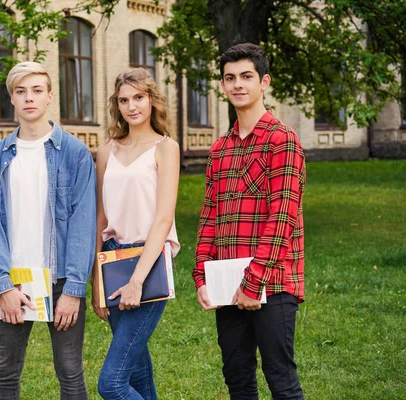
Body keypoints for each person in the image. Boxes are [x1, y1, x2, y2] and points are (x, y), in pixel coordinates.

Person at [193, 43, 306, 400]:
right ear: (223, 86)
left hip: (273, 282)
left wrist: (253, 282)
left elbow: (282, 216)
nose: (237, 85)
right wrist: (201, 276)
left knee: (280, 378)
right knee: (237, 378)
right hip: (226, 283)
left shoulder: (282, 140)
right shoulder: (219, 149)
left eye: (246, 77)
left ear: (264, 82)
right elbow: (210, 216)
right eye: (230, 78)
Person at [0, 61, 96, 400]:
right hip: (12, 280)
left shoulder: (75, 154)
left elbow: (82, 223)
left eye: (36, 90)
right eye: (20, 91)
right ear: (12, 99)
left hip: (61, 280)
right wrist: (2, 287)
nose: (29, 98)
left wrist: (73, 290)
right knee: (4, 372)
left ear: (49, 97)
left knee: (71, 374)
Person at [93, 68, 180, 400]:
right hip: (113, 260)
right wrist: (97, 280)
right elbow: (101, 217)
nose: (132, 106)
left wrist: (137, 280)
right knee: (139, 374)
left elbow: (163, 218)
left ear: (151, 100)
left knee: (112, 384)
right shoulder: (106, 151)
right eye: (124, 100)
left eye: (139, 98)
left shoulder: (165, 147)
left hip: (149, 260)